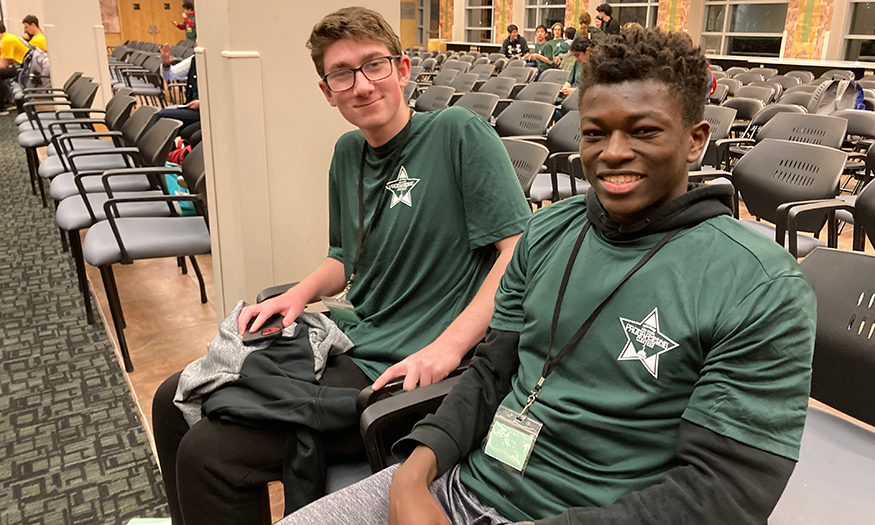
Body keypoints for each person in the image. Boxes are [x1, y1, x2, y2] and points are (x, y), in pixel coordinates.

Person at [277, 28, 816, 525]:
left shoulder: (760, 286)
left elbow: (722, 493)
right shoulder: (548, 231)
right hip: (463, 486)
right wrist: (413, 475)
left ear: (696, 140)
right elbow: (490, 372)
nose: (614, 153)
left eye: (644, 131)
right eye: (594, 132)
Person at [151, 6, 531, 525]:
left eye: (374, 65)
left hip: (407, 371)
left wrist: (449, 347)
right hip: (353, 339)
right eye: (342, 74)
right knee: (170, 400)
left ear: (401, 69)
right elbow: (342, 259)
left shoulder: (456, 133)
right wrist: (298, 295)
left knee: (209, 456)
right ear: (327, 91)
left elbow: (517, 256)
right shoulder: (348, 152)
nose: (362, 85)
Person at [155, 43, 200, 129]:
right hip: (191, 107)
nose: (196, 42)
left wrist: (202, 103)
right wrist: (166, 65)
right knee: (161, 118)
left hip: (207, 111)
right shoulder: (194, 59)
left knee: (162, 116)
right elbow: (170, 75)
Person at [0, 21, 29, 110]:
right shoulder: (6, 37)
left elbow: (2, 65)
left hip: (22, 68)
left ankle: (2, 107)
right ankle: (8, 100)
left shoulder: (6, 41)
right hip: (21, 66)